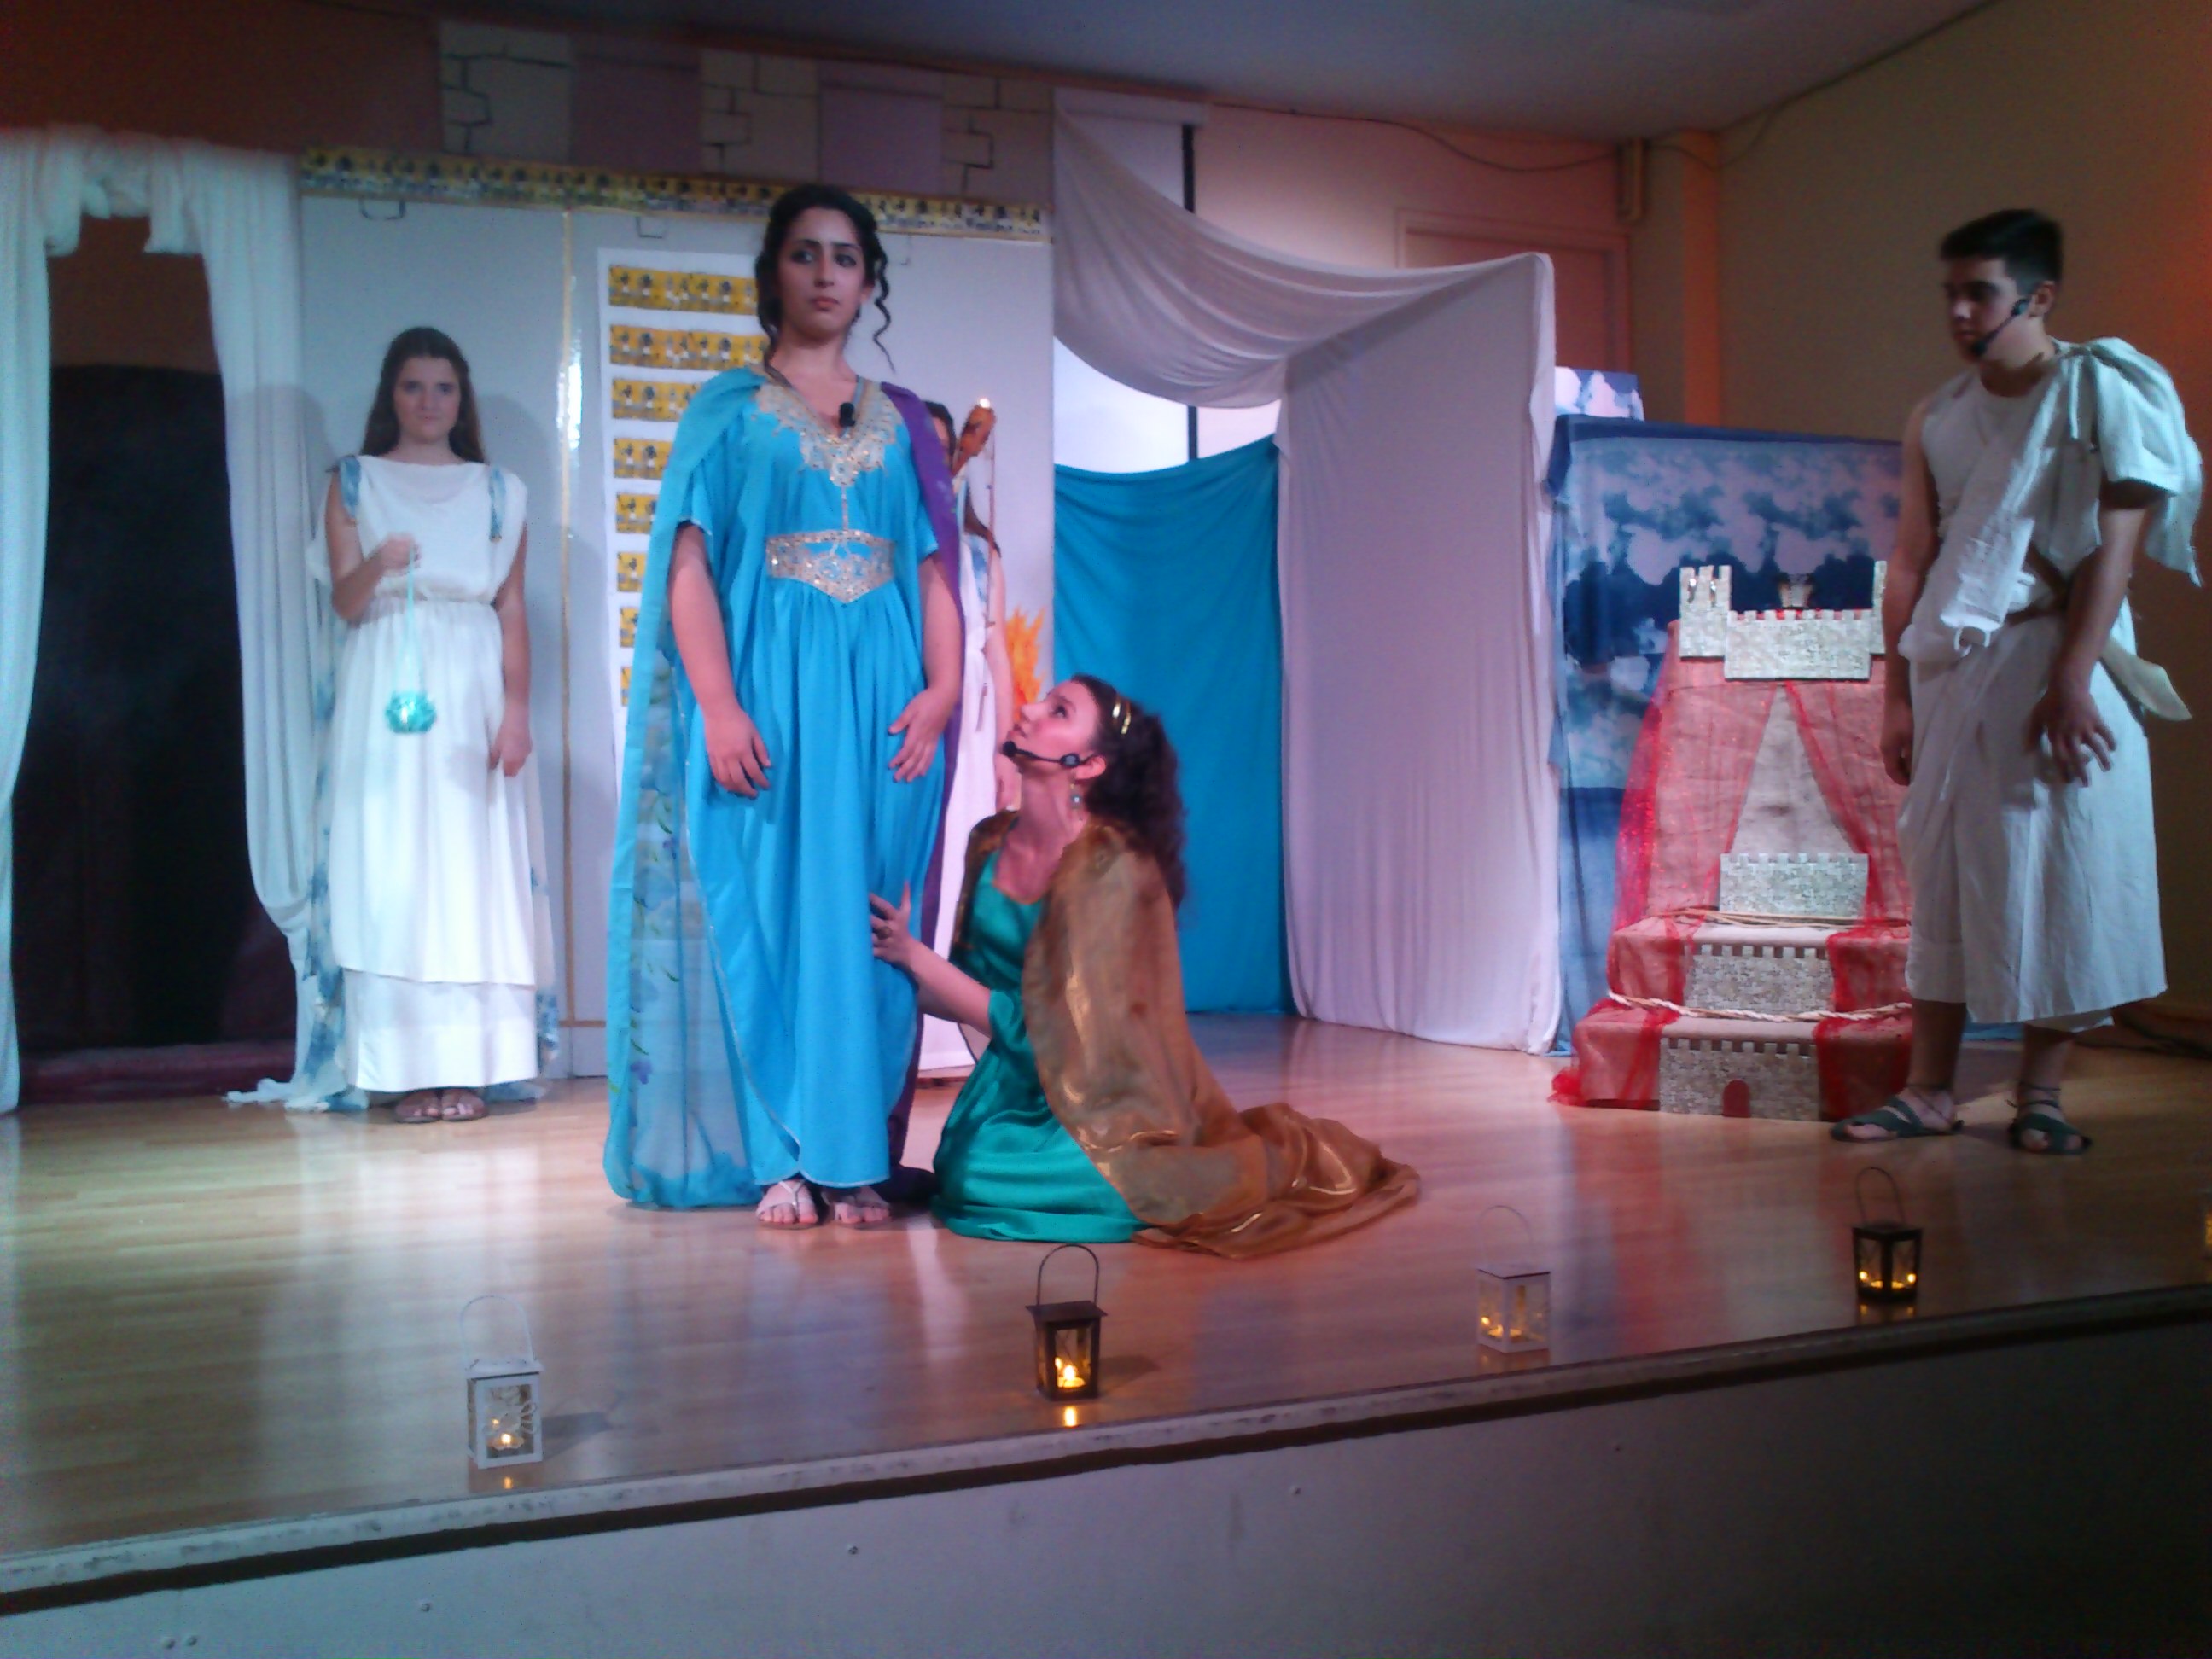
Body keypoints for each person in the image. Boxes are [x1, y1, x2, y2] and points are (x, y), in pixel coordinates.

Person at [604, 184, 963, 1226]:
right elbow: (688, 566)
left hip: (887, 713)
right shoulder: (725, 410)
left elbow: (933, 571)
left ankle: (853, 1158)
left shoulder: (903, 422)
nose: (825, 273)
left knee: (870, 924)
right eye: (805, 254)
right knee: (771, 915)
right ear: (773, 273)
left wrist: (942, 694)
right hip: (772, 706)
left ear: (869, 280)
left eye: (845, 257)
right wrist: (718, 706)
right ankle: (783, 1157)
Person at [1836, 210, 2199, 1153]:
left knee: (2058, 865)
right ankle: (1928, 1090)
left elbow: (2114, 549)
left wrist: (2072, 679)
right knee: (1948, 872)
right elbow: (1912, 558)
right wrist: (1897, 695)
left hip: (2059, 653)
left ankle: (2041, 1093)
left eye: (1980, 293)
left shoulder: (2099, 391)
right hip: (1958, 665)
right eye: (1951, 293)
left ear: (2037, 297)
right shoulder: (1939, 415)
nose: (1960, 311)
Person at [870, 676, 1417, 1255]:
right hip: (1019, 1086)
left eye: (1058, 711)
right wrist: (885, 963)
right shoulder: (988, 840)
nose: (1029, 710)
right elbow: (967, 990)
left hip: (1108, 1097)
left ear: (1088, 765)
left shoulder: (1112, 866)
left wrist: (912, 955)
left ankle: (1202, 1169)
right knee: (969, 1167)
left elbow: (1055, 1032)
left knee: (1005, 1176)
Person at [322, 327, 556, 1122]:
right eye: (414, 386)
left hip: (473, 682)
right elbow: (344, 603)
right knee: (395, 861)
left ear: (463, 398)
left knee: (472, 863)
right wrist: (377, 564)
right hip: (388, 677)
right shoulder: (355, 482)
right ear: (391, 394)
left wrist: (516, 710)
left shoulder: (500, 491)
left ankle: (472, 1065)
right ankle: (403, 1069)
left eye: (444, 387)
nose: (429, 402)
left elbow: (511, 605)